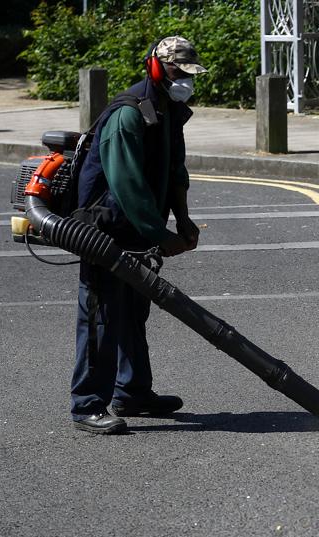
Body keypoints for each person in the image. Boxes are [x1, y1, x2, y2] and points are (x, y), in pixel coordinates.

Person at [69, 36, 207, 434]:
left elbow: (175, 171)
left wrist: (182, 220)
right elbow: (127, 185)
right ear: (155, 68)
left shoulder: (168, 109)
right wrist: (160, 235)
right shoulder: (129, 114)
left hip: (138, 230)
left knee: (132, 311)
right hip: (105, 229)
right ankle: (87, 405)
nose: (184, 79)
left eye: (188, 74)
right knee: (100, 316)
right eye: (177, 71)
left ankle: (132, 392)